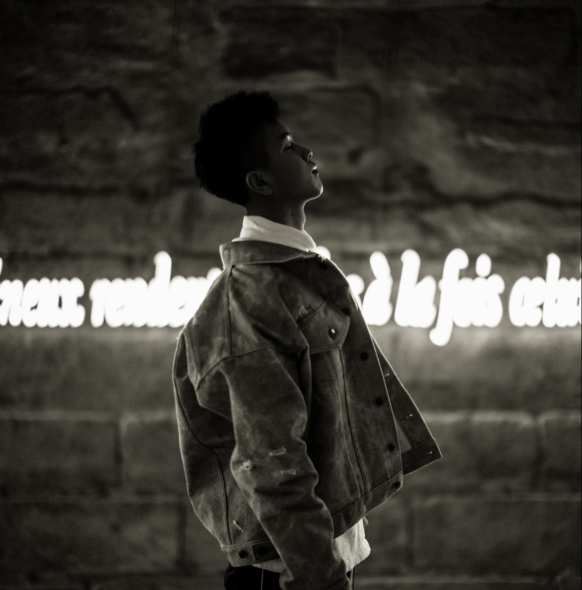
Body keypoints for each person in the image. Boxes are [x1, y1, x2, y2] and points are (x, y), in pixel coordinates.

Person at [173, 91, 442, 590]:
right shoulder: (247, 300)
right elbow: (272, 463)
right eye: (288, 146)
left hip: (318, 561)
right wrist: (322, 577)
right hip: (288, 574)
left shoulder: (295, 275)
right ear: (260, 182)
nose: (307, 151)